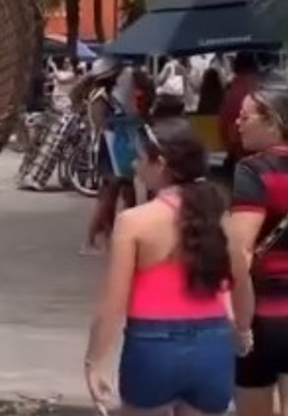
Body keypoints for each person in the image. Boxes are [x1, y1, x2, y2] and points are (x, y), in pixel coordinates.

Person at [84, 119, 254, 416]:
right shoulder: (221, 219)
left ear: (160, 164)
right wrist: (242, 331)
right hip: (213, 347)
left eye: (139, 158)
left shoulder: (134, 222)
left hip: (153, 348)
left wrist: (94, 361)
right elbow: (241, 283)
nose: (135, 166)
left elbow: (113, 304)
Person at [228, 80, 288, 416]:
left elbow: (239, 253)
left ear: (273, 121)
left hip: (266, 317)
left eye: (245, 116)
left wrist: (242, 323)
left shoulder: (254, 170)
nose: (237, 123)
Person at [83, 57, 139, 253]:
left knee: (113, 194)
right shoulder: (101, 97)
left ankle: (108, 236)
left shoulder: (106, 95)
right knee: (107, 196)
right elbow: (100, 124)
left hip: (111, 148)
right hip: (108, 148)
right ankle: (92, 239)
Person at [220, 52, 262, 173]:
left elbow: (225, 123)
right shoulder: (263, 88)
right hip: (263, 153)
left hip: (241, 154)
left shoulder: (233, 91)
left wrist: (231, 149)